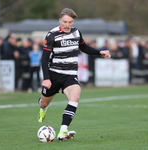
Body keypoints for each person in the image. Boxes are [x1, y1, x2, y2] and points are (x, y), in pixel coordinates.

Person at [37, 8, 111, 141]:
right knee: (43, 103)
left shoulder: (76, 33)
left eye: (70, 22)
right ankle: (43, 109)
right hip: (54, 75)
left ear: (73, 22)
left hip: (70, 75)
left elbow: (84, 47)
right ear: (60, 21)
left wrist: (100, 52)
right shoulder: (52, 35)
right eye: (64, 22)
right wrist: (46, 78)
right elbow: (44, 59)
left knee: (75, 97)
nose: (67, 25)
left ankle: (63, 130)